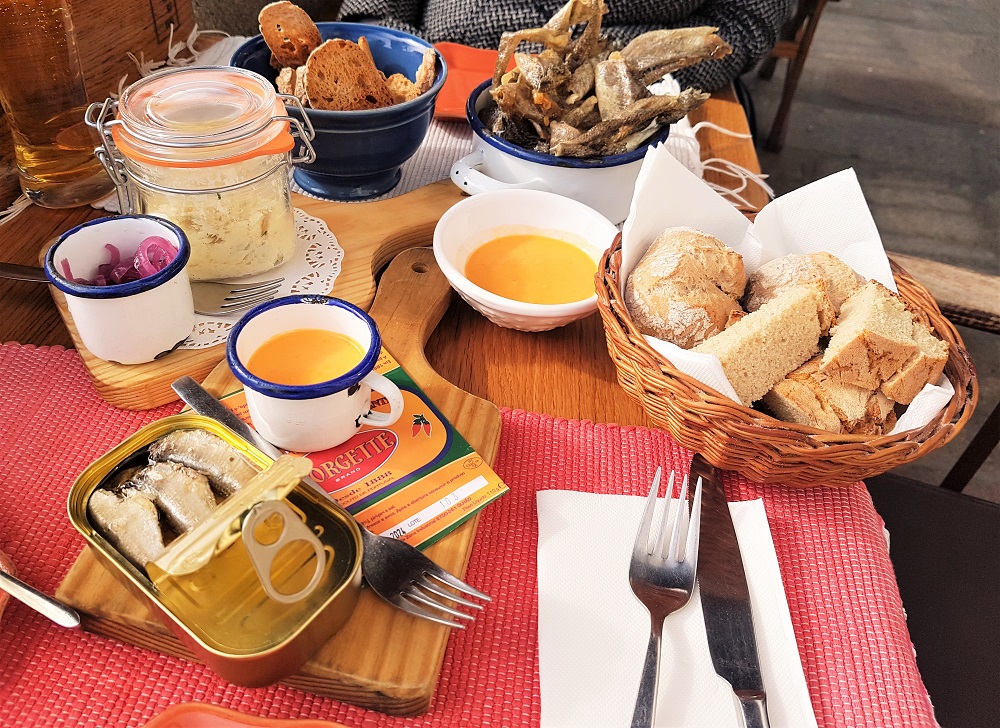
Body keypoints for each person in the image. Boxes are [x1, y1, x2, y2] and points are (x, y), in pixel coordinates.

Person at [335, 0, 794, 93]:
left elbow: (749, 19)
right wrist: (409, 75)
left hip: (646, 91)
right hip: (436, 98)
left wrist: (648, 73)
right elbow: (370, 11)